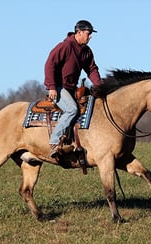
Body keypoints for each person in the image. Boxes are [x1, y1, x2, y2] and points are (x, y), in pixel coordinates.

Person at [44, 20, 102, 158]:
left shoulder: (86, 51)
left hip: (71, 88)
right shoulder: (65, 46)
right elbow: (50, 64)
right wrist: (52, 86)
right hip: (58, 87)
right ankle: (54, 142)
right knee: (72, 109)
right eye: (88, 34)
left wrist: (100, 87)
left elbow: (92, 69)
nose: (90, 37)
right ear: (79, 32)